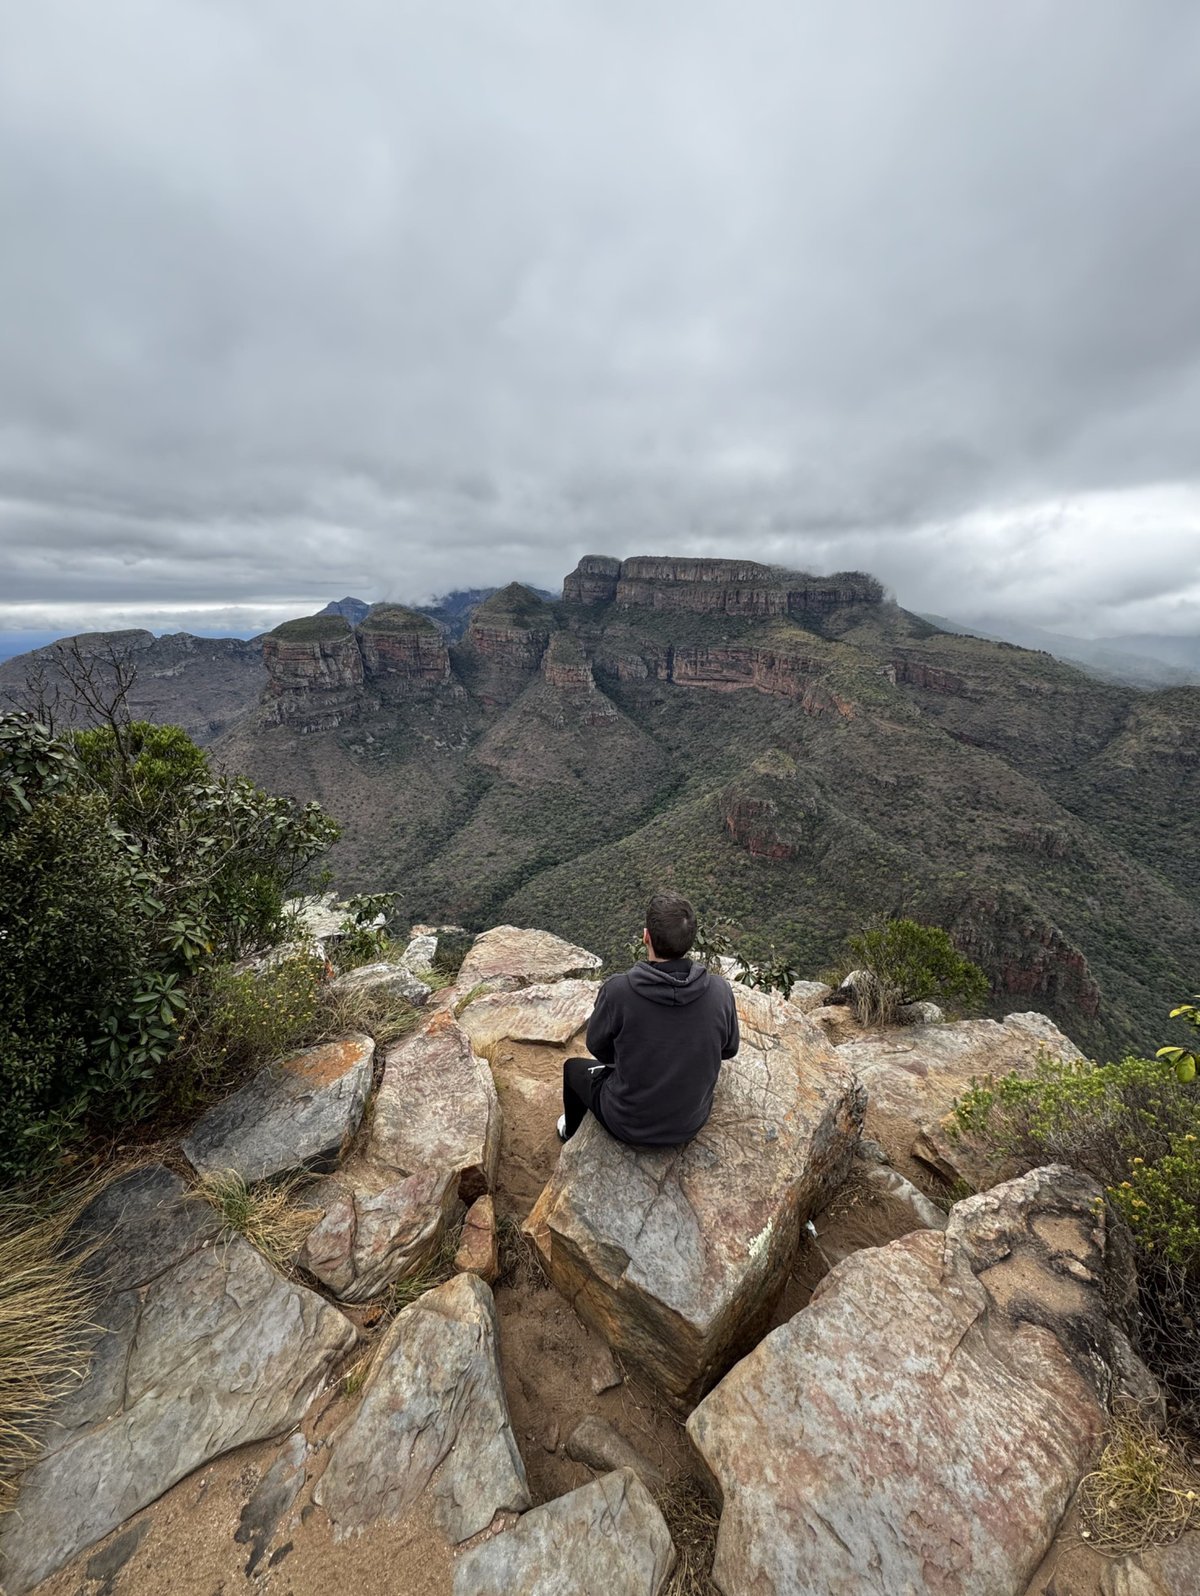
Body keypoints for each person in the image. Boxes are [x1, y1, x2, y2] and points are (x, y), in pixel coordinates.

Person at [557, 892, 740, 1148]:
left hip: (627, 1123)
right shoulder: (720, 991)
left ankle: (570, 1132)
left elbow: (597, 1047)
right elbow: (729, 1049)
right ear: (691, 940)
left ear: (646, 937)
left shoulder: (618, 991)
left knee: (572, 1069)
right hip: (690, 1122)